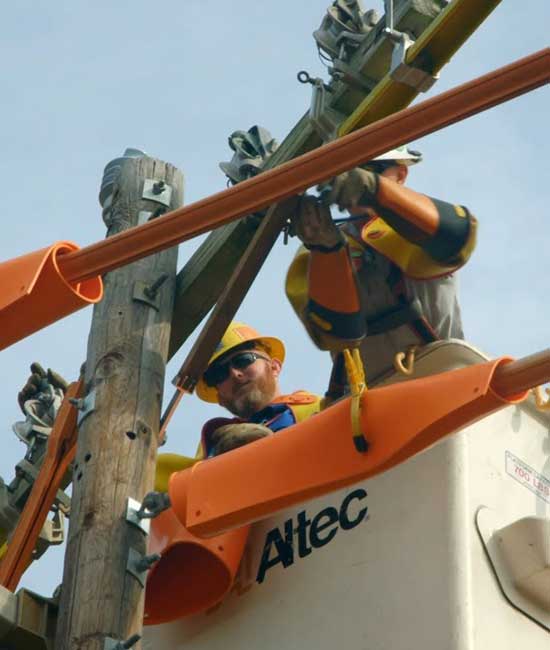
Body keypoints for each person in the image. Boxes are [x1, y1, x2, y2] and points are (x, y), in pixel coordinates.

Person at [286, 146, 477, 385]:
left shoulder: (423, 223)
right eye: (347, 171)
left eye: (371, 169)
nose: (354, 179)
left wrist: (376, 191)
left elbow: (458, 237)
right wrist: (327, 248)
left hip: (442, 376)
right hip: (372, 402)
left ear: (401, 174)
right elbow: (337, 335)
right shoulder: (311, 253)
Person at [195, 322, 322, 457]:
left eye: (243, 360)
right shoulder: (210, 447)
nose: (234, 374)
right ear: (219, 397)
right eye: (219, 373)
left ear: (274, 367)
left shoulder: (318, 408)